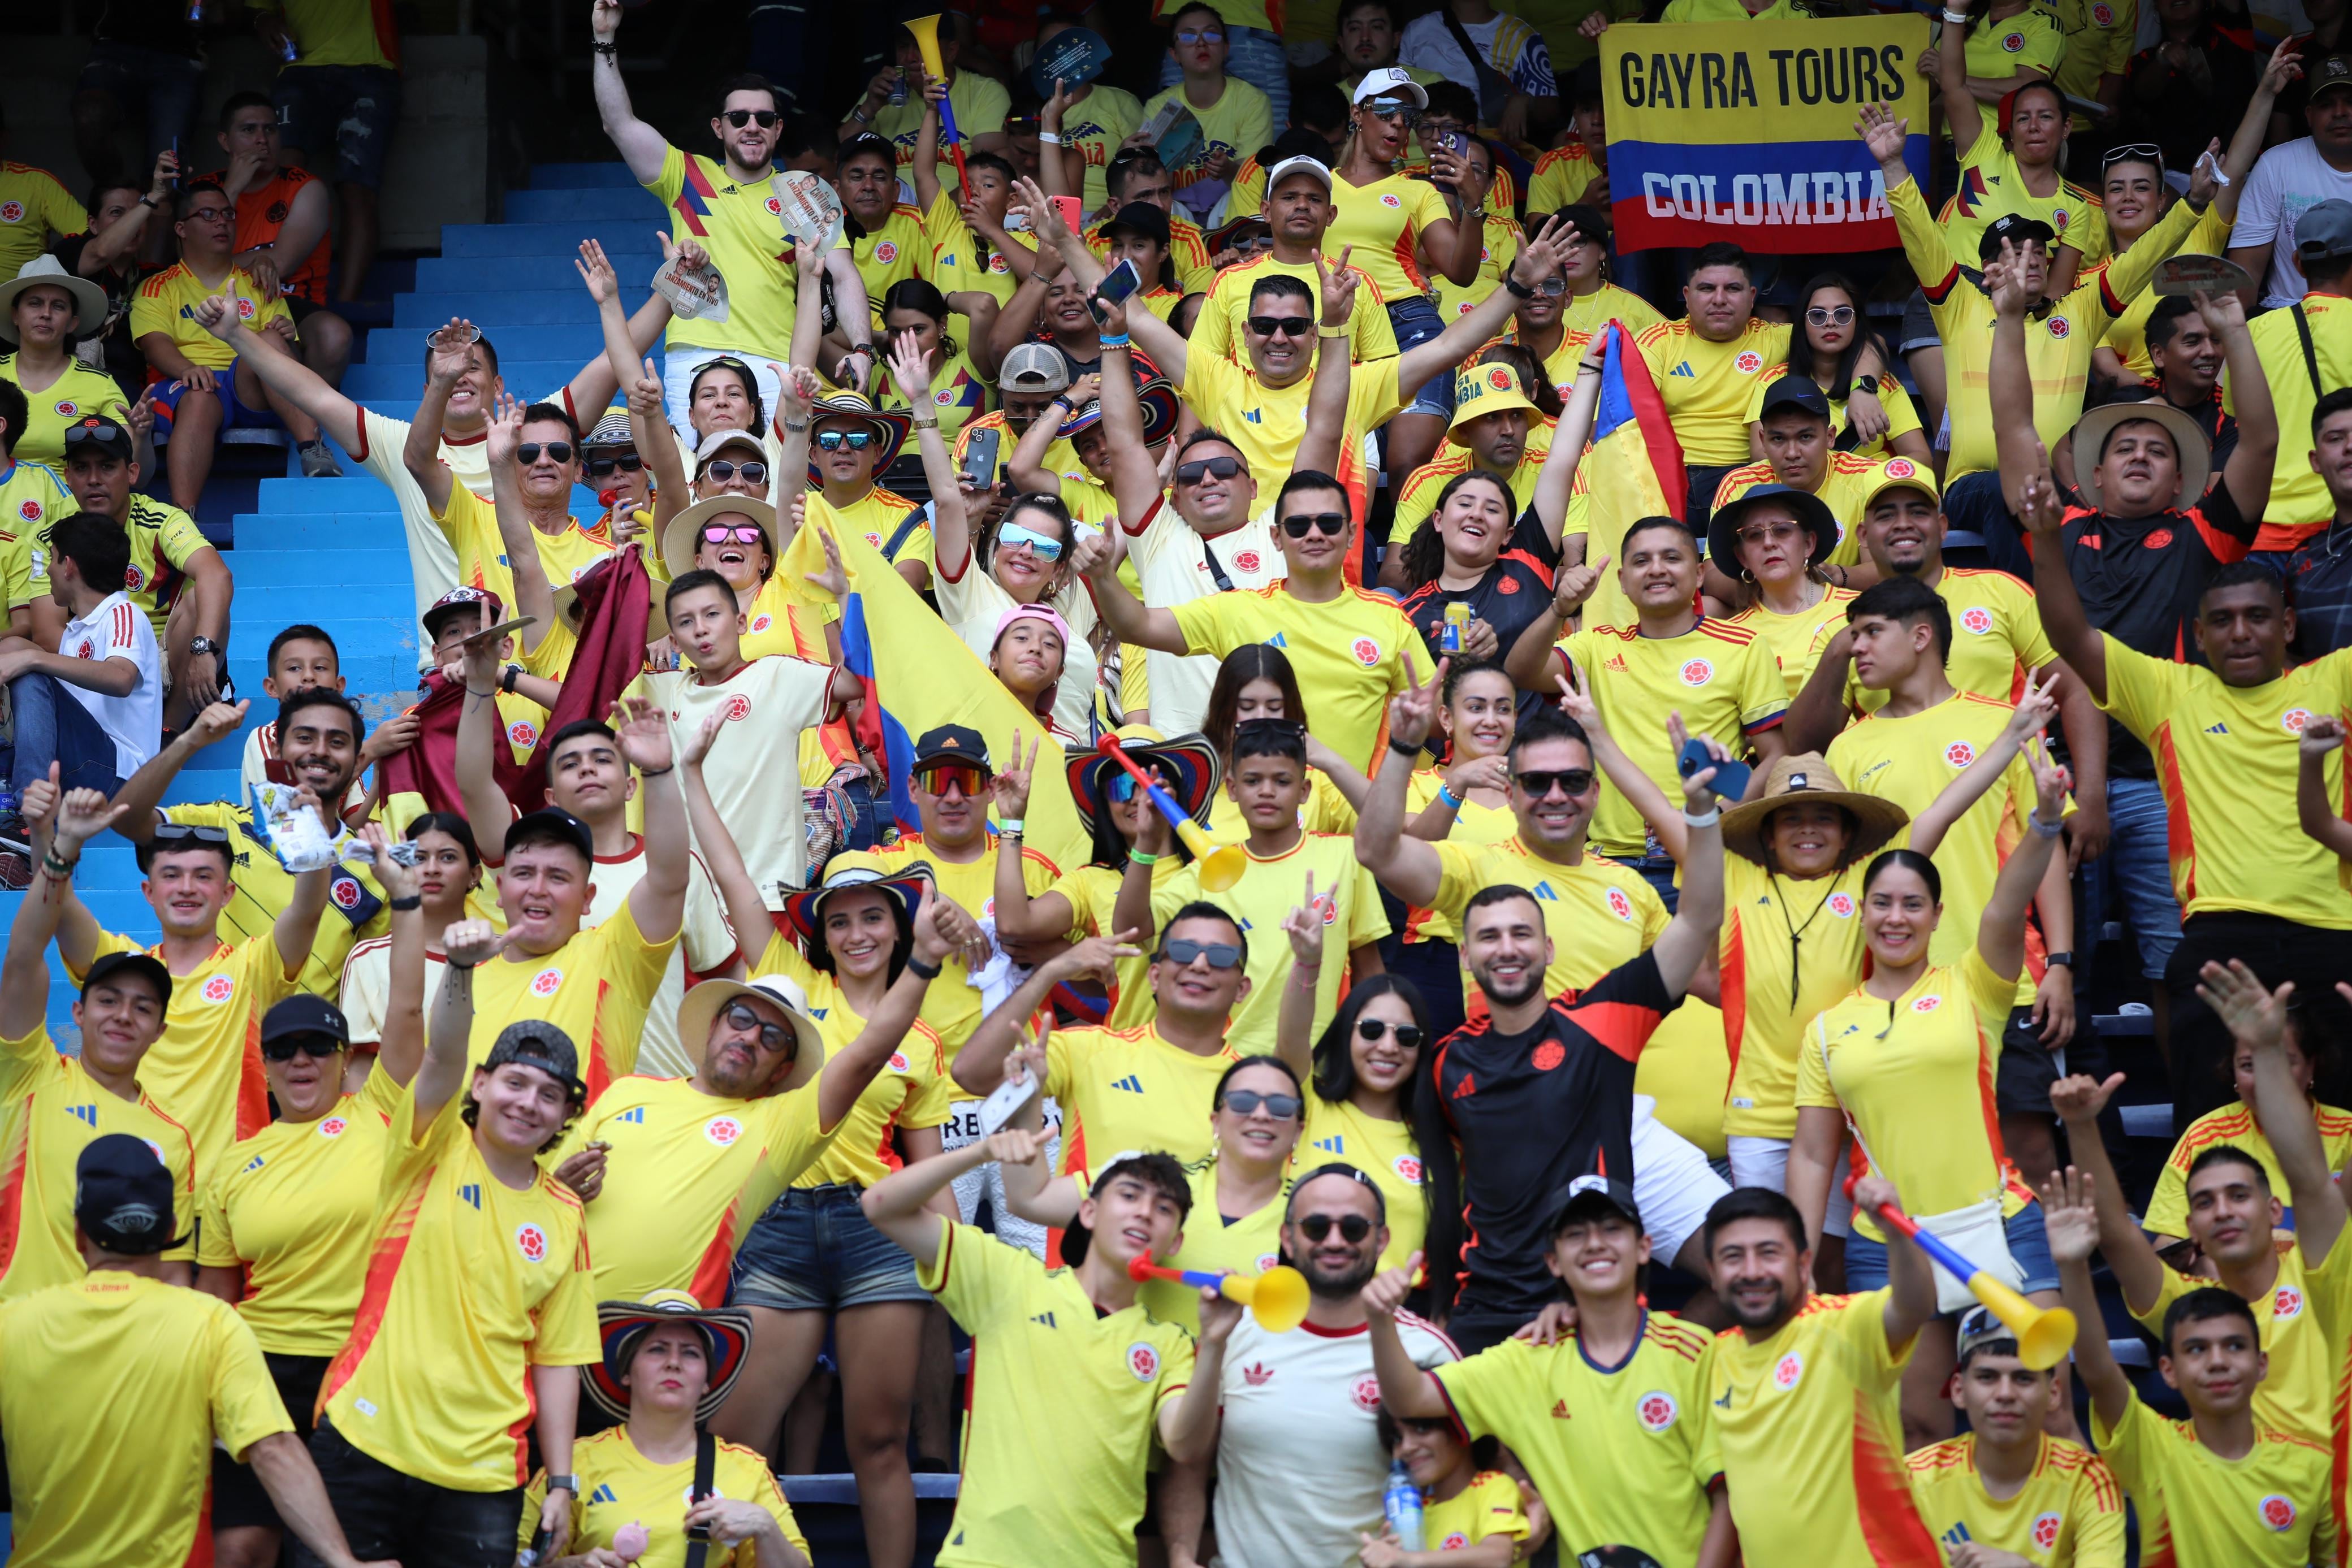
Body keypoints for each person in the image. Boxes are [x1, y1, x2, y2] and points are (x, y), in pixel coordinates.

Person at [1567, 677, 2053, 1206]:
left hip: (1854, 1096)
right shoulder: (1737, 877)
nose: (1808, 830)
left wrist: (2011, 738)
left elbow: (1942, 811)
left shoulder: (1866, 877)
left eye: (1824, 817)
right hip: (1758, 1112)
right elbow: (1662, 810)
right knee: (1780, 1254)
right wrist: (1596, 734)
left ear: (1847, 834)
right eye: (1791, 819)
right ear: (1768, 834)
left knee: (1848, 1257)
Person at [2018, 465, 2352, 1129]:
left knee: (2342, 1119)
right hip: (2218, 928)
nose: (2239, 632)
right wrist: (2045, 539)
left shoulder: (2335, 677)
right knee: (2211, 1120)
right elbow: (2068, 635)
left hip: (2333, 930)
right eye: (2221, 621)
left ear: (2288, 626)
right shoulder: (2170, 691)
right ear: (2197, 636)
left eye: (2257, 617)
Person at [1785, 727, 2076, 1450]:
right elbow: (1813, 1155)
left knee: (2053, 1410)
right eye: (1880, 902)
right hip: (1886, 1242)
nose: (1894, 917)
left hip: (1998, 1221)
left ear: (1937, 917)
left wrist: (2042, 822)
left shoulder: (1971, 988)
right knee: (1913, 1426)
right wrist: (1796, 1252)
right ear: (1862, 911)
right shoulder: (1825, 1029)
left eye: (1912, 904)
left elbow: (2007, 909)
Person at [697, 856, 975, 1568]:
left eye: (872, 916)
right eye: (839, 919)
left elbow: (925, 1163)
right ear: (820, 933)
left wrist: (970, 1268)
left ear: (899, 927)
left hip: (877, 1232)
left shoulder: (923, 1040)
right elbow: (733, 880)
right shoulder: (794, 985)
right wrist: (684, 769)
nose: (855, 932)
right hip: (780, 1227)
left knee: (879, 1441)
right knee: (735, 1440)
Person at [1421, 713, 1730, 1352]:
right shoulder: (1448, 1059)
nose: (1506, 948)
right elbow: (1375, 851)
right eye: (1535, 781)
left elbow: (1697, 919)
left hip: (1620, 1125)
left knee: (1748, 1265)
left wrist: (1700, 811)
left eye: (1570, 780)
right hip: (1516, 1190)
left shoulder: (1604, 1007)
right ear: (1464, 951)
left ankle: (1656, 1367)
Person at [302, 921, 603, 1565]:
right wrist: (461, 971)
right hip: (365, 1438)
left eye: (550, 1095)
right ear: (481, 1084)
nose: (529, 1103)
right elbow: (440, 1054)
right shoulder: (431, 1144)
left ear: (566, 1116)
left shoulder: (564, 1214)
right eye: (515, 1083)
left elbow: (557, 1357)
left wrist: (562, 1479)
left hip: (484, 1473)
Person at [191, 244, 663, 649]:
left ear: (497, 384)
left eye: (472, 366)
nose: (459, 374)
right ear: (427, 388)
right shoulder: (403, 444)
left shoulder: (534, 432)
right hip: (452, 659)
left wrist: (672, 292)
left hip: (545, 648)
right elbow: (311, 393)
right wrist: (236, 334)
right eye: (445, 368)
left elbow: (613, 360)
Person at [0, 1134, 390, 1568]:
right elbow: (275, 1450)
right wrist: (344, 1561)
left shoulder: (12, 1325)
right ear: (170, 1232)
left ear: (78, 1232)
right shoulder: (212, 1324)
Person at [1860, 98, 2206, 575]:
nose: (2032, 260)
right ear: (1988, 269)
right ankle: (2033, 611)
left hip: (2063, 483)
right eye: (2016, 251)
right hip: (1973, 484)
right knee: (2014, 491)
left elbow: (2142, 259)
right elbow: (1921, 238)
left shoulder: (2080, 310)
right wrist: (1895, 167)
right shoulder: (1960, 306)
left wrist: (2194, 207)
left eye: (2040, 251)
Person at [858, 1133, 1230, 1566]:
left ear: (1176, 1243)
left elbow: (1184, 1445)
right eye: (1129, 1195)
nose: (1145, 1212)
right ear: (1087, 1211)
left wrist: (1217, 1344)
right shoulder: (1009, 1280)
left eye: (1164, 1208)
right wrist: (981, 1152)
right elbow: (880, 1205)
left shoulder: (1171, 1345)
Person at [1367, 1175, 1729, 1566]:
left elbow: (1728, 1495)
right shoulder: (1528, 1361)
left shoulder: (1694, 1351)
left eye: (1612, 1229)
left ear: (1644, 1248)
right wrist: (1380, 1320)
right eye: (1575, 1234)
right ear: (1553, 1261)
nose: (1594, 1243)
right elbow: (1410, 1398)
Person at [197, 977, 421, 1568]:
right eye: (282, 1048)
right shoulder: (233, 1164)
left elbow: (405, 1009)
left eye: (318, 1045)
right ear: (264, 1063)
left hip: (359, 1368)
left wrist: (402, 901)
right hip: (260, 1366)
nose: (300, 1058)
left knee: (337, 1549)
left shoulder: (382, 1115)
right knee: (240, 1548)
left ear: (345, 1058)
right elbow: (217, 1294)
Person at [2046, 1162, 2339, 1567]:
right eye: (2198, 1350)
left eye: (2235, 1347)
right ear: (2169, 1370)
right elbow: (2097, 1369)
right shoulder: (2155, 1449)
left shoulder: (2312, 1465)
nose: (2217, 1362)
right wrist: (2072, 1266)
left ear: (2261, 1365)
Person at [593, 0, 865, 428]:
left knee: (775, 488)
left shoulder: (805, 194)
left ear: (778, 128)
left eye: (764, 118)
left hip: (777, 362)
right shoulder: (688, 176)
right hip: (696, 360)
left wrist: (862, 350)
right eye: (739, 118)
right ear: (720, 128)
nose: (751, 126)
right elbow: (618, 123)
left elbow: (845, 275)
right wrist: (604, 38)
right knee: (698, 488)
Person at [54, 766, 330, 1187]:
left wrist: (312, 837)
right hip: (133, 1196)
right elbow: (58, 908)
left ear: (227, 894)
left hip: (228, 1195)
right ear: (148, 893)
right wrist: (57, 840)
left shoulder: (252, 968)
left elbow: (308, 912)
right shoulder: (121, 971)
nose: (187, 888)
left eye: (204, 876)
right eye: (171, 875)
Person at [1504, 516, 1788, 901]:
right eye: (1641, 561)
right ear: (1621, 581)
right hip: (1609, 864)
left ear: (1700, 573)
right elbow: (1520, 671)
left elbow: (1776, 756)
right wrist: (1559, 609)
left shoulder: (1744, 646)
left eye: (1671, 557)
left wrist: (1716, 819)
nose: (1656, 569)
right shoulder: (1596, 646)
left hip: (1702, 857)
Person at [2050, 1067, 2337, 1449]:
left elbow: (2316, 1186)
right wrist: (2083, 1126)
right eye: (2205, 1202)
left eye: (2238, 1196)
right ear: (2191, 1228)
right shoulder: (2186, 1306)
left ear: (2273, 1210)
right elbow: (2118, 1235)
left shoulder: (2325, 1280)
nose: (2222, 1211)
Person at [1082, 465, 1419, 773]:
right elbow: (1137, 626)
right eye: (1299, 526)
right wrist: (1102, 574)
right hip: (1252, 813)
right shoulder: (1237, 610)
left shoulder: (1388, 616)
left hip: (1354, 821)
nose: (1315, 534)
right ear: (1277, 537)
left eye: (1329, 523)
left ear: (1351, 534)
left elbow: (1435, 717)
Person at [0, 774, 194, 1298]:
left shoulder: (172, 1140)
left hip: (118, 1361)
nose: (124, 1016)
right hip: (20, 1346)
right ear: (78, 1013)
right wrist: (61, 849)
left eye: (143, 1007)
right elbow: (22, 961)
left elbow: (173, 1272)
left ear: (160, 1032)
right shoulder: (32, 1077)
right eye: (108, 1000)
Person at [1694, 1182, 1944, 1564]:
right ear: (1712, 1273)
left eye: (1769, 1253)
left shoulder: (1842, 1327)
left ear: (1804, 1263)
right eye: (1733, 1257)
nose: (1752, 1271)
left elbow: (1913, 1305)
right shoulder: (1714, 1356)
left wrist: (1896, 1231)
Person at [113, 691, 388, 1001]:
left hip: (310, 1045)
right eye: (305, 738)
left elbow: (373, 986)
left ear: (357, 761)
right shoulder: (222, 824)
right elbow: (125, 819)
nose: (321, 751)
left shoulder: (376, 867)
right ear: (275, 750)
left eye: (337, 742)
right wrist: (187, 743)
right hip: (219, 1033)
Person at [1006, 1054, 1307, 1334]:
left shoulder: (1316, 1219)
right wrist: (1023, 1098)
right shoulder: (1157, 1186)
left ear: (1298, 1130)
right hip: (1136, 1380)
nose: (1262, 1115)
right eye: (1243, 1102)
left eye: (1281, 1107)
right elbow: (1030, 1198)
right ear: (1216, 1121)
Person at [525, 1292, 810, 1567]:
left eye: (690, 1353)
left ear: (708, 1382)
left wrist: (765, 1527)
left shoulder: (748, 1469)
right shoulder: (570, 1465)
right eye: (657, 1349)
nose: (674, 1363)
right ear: (626, 1372)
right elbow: (510, 1561)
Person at [653, 569, 861, 917]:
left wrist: (845, 598)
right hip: (696, 906)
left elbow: (856, 684)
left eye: (712, 614)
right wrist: (523, 679)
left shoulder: (776, 677)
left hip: (770, 896)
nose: (701, 628)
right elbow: (589, 701)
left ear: (741, 623)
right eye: (686, 622)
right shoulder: (665, 691)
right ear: (674, 642)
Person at [1320, 70, 1487, 483]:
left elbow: (1461, 272)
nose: (1398, 123)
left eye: (1407, 117)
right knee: (1334, 468)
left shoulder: (1419, 190)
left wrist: (1472, 205)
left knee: (1407, 469)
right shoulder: (1316, 184)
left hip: (1407, 325)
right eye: (1388, 111)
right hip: (1334, 328)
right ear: (1358, 114)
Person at [989, 727, 1214, 1032]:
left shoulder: (1213, 868)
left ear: (1174, 792)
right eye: (1122, 786)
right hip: (1130, 1061)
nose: (1137, 797)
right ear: (1105, 804)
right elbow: (1014, 925)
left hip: (1217, 1056)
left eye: (1149, 782)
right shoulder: (1089, 881)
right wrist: (1011, 821)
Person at [132, 184, 339, 505]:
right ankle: (184, 520)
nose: (222, 223)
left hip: (247, 387)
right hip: (184, 385)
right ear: (181, 229)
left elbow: (290, 361)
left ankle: (313, 449)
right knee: (199, 396)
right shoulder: (158, 285)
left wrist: (285, 337)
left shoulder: (258, 282)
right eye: (209, 215)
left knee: (270, 338)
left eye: (228, 215)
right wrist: (188, 369)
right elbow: (154, 344)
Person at [1393, 358, 1598, 676]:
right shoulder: (1408, 616)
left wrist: (1589, 369)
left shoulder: (1529, 559)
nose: (1477, 513)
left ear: (1508, 533)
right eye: (1464, 504)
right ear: (1437, 520)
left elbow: (1564, 458)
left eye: (1492, 509)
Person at [44, 412, 231, 731]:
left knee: (203, 597)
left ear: (131, 473)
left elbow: (218, 575)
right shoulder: (54, 536)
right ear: (67, 477)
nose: (93, 479)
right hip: (94, 661)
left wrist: (204, 649)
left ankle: (167, 734)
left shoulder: (162, 520)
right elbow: (48, 631)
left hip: (162, 661)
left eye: (107, 466)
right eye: (81, 468)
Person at [1905, 1305, 2128, 1567]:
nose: (2005, 1394)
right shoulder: (1912, 1478)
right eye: (1987, 1377)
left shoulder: (2088, 1480)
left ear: (2054, 1393)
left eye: (2023, 1378)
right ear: (1958, 1390)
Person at [0, 512, 162, 829]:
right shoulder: (76, 630)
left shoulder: (123, 613)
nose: (48, 569)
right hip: (80, 768)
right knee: (18, 653)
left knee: (30, 668)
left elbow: (121, 677)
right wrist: (23, 656)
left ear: (69, 567)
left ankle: (28, 808)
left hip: (118, 777)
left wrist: (34, 660)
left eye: (53, 559)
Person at [249, 0, 401, 304]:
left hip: (370, 66)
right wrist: (263, 20)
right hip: (300, 68)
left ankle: (345, 306)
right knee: (283, 181)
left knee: (357, 187)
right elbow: (257, 8)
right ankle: (277, 296)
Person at [1635, 244, 1795, 528]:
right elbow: (1631, 418)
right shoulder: (1659, 341)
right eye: (1707, 289)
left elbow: (1866, 342)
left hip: (1745, 477)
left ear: (1752, 296)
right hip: (1669, 476)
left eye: (1732, 289)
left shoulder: (1776, 339)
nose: (1719, 299)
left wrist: (1864, 387)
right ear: (1687, 296)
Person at [1191, 154, 1398, 372]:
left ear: (1331, 215)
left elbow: (1382, 376)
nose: (1302, 205)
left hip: (1337, 406)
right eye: (1289, 197)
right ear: (1267, 211)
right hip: (1247, 407)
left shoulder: (1356, 283)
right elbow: (1201, 373)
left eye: (1314, 199)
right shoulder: (1228, 280)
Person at [1932, 31, 2109, 280]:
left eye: (2046, 117)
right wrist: (1955, 13)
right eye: (2023, 118)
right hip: (1957, 305)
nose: (2034, 126)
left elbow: (2056, 293)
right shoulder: (1983, 158)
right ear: (2011, 132)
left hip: (2025, 314)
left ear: (2066, 128)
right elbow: (1953, 86)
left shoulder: (2079, 207)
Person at [1380, 352, 1556, 594]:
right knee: (1386, 597)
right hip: (1444, 604)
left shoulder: (1553, 478)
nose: (1508, 430)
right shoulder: (1428, 480)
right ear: (1464, 430)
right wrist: (1464, 577)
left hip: (1526, 605)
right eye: (1492, 417)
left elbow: (1574, 568)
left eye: (1517, 415)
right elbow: (1391, 573)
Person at [211, 90, 351, 390]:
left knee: (333, 334)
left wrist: (233, 264)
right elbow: (188, 266)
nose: (263, 139)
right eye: (249, 130)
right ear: (225, 141)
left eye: (270, 129)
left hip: (286, 300)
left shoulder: (304, 187)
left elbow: (282, 262)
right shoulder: (203, 189)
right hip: (213, 300)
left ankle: (312, 423)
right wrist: (231, 191)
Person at [2239, 201, 2352, 557]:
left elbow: (2230, 421)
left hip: (2260, 529)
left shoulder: (2253, 331)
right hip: (2338, 529)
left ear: (2298, 264)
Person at [338, 812, 478, 1078]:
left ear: (475, 875)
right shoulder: (368, 958)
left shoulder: (503, 954)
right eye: (419, 858)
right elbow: (357, 1072)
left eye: (448, 857)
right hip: (397, 1116)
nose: (432, 869)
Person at [1751, 275, 1931, 467]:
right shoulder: (1775, 381)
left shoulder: (1882, 385)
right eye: (1818, 315)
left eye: (1842, 314)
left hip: (1869, 490)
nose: (1830, 322)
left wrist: (1875, 475)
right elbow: (1759, 456)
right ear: (1802, 323)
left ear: (1857, 321)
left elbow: (1921, 457)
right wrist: (1843, 470)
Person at [1710, 483, 1860, 701]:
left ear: (1809, 544)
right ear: (1743, 558)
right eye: (1754, 535)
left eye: (1781, 530)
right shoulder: (1731, 637)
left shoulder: (1858, 611)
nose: (1769, 543)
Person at [2230, 51, 2352, 310]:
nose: (2341, 112)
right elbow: (2245, 278)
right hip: (2289, 319)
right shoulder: (2277, 166)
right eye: (2327, 104)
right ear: (2308, 116)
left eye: (2350, 101)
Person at [52, 152, 179, 396]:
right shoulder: (71, 252)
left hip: (127, 390)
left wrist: (261, 261)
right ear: (93, 224)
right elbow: (100, 252)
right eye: (117, 213)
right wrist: (153, 197)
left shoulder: (154, 277)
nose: (132, 222)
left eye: (138, 213)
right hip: (65, 382)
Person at [850, 11, 1012, 195]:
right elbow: (835, 160)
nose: (910, 57)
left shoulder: (985, 92)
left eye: (920, 47)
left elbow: (987, 173)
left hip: (953, 213)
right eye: (903, 47)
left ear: (951, 52)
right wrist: (868, 108)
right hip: (887, 212)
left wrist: (940, 212)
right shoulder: (883, 93)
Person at [0, 254, 133, 477]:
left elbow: (132, 466)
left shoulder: (99, 384)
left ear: (73, 322)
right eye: (35, 303)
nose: (45, 313)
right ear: (15, 315)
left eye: (58, 306)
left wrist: (142, 434)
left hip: (71, 508)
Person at [1143, 2, 1275, 221]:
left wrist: (1229, 169)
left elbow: (1255, 180)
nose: (1201, 43)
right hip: (1177, 209)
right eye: (1188, 37)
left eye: (1212, 35)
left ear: (1226, 47)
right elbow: (1152, 181)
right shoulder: (1159, 107)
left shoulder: (1253, 102)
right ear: (1174, 54)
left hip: (1231, 208)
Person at [1400, 0, 1556, 145]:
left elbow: (1551, 109)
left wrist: (1524, 101)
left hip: (1491, 144)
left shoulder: (1520, 35)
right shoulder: (1417, 31)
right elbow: (1401, 91)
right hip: (1426, 140)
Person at [1031, 24, 1145, 212]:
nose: (1059, 54)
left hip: (1113, 212)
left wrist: (1118, 205)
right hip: (1048, 214)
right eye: (1049, 48)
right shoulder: (1031, 110)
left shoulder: (1118, 101)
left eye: (1067, 46)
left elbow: (1148, 164)